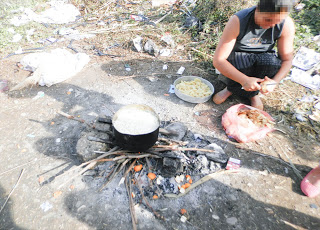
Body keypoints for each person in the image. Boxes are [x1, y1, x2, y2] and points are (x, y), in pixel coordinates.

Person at [212, 0, 295, 110]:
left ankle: (253, 94)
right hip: (239, 55)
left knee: (271, 63)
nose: (271, 25)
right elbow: (219, 60)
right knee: (241, 62)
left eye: (277, 22)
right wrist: (243, 80)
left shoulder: (286, 24)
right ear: (257, 9)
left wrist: (274, 82)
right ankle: (231, 88)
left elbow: (287, 60)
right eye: (268, 19)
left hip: (263, 56)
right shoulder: (239, 20)